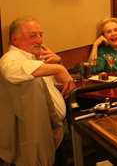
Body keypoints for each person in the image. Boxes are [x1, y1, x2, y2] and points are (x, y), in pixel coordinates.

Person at [0, 16, 75, 165]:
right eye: (33, 35)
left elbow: (53, 87)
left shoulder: (34, 59)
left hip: (57, 128)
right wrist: (58, 68)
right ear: (15, 40)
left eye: (41, 35)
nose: (40, 40)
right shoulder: (10, 58)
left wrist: (57, 63)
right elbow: (10, 71)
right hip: (39, 134)